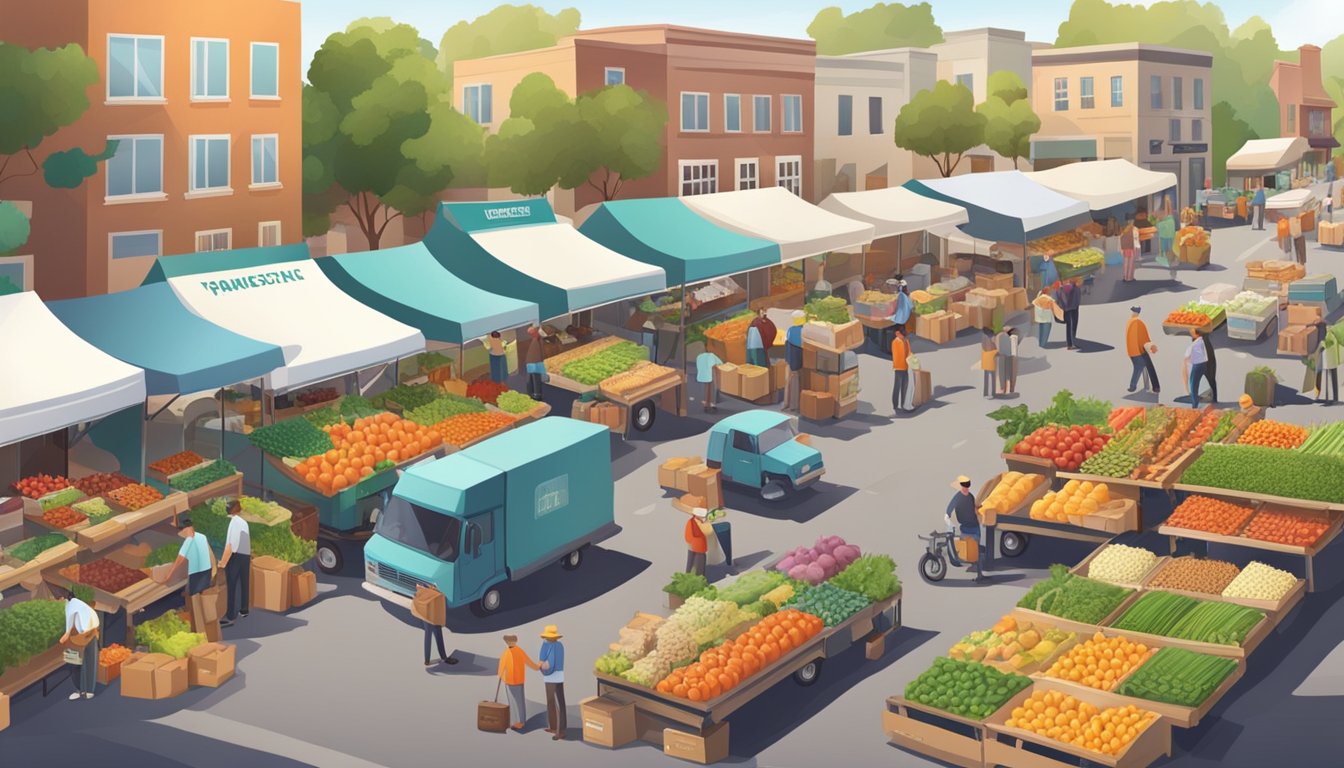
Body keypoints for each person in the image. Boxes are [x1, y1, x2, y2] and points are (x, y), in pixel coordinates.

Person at [944, 475, 985, 581]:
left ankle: (979, 574)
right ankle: (977, 571)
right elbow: (949, 508)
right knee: (969, 551)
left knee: (976, 551)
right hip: (966, 528)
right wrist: (947, 516)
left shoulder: (969, 497)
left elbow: (974, 508)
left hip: (974, 527)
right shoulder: (960, 497)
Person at [61, 592, 100, 701]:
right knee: (74, 662)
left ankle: (88, 690)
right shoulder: (68, 604)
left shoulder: (73, 604)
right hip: (77, 635)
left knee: (89, 660)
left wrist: (67, 633)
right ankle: (80, 689)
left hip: (88, 633)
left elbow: (69, 618)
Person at [498, 634, 541, 732]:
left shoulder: (512, 652)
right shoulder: (510, 652)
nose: (509, 643)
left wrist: (502, 677)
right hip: (511, 681)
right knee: (514, 702)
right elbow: (501, 668)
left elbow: (501, 669)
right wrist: (537, 667)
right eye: (508, 641)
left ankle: (521, 722)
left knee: (517, 702)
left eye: (510, 641)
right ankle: (516, 721)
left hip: (515, 681)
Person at [219, 500, 250, 627]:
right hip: (245, 555)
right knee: (244, 582)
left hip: (235, 557)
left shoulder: (234, 523)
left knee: (232, 585)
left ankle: (230, 616)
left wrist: (223, 562)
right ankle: (244, 609)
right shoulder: (244, 522)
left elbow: (231, 545)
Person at [1125, 306, 1160, 398]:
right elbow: (1144, 337)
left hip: (1133, 351)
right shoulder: (1138, 323)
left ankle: (1137, 386)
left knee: (1141, 367)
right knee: (1145, 367)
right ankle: (1153, 387)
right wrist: (1150, 345)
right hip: (1140, 350)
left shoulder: (1130, 322)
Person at [538, 625, 566, 740]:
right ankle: (554, 727)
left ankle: (560, 730)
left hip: (553, 675)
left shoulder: (554, 646)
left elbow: (550, 663)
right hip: (554, 675)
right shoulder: (551, 644)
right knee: (552, 701)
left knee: (556, 702)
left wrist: (542, 666)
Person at [175, 523, 213, 597]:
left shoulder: (188, 540)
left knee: (191, 594)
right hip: (206, 570)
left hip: (195, 573)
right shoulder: (202, 536)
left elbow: (180, 559)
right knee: (202, 588)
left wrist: (169, 575)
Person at [783, 310, 805, 412]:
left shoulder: (791, 330)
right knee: (797, 382)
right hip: (800, 362)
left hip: (790, 360)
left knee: (789, 382)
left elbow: (787, 344)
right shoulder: (804, 331)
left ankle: (788, 404)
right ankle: (794, 405)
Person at [1183, 328, 1209, 409]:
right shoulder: (1202, 341)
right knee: (1198, 382)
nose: (1190, 331)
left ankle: (1195, 404)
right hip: (1204, 364)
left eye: (1192, 331)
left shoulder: (1193, 345)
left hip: (1197, 365)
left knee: (1193, 385)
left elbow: (1186, 357)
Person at [1314, 321, 1340, 404]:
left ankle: (1332, 397)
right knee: (1321, 370)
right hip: (1322, 343)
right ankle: (1323, 396)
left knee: (1329, 369)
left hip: (1328, 343)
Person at [1055, 278, 1081, 350]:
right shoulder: (1070, 287)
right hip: (1072, 307)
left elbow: (1058, 298)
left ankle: (1071, 343)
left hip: (1069, 307)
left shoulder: (1061, 287)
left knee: (1070, 325)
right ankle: (1071, 343)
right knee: (1072, 325)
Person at [890, 327, 911, 414]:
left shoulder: (906, 341)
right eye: (902, 334)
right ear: (897, 333)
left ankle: (903, 404)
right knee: (897, 387)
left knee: (904, 386)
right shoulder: (895, 342)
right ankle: (895, 404)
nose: (903, 336)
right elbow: (897, 356)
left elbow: (909, 352)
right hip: (899, 368)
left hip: (905, 367)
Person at [684, 507, 708, 577]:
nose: (704, 518)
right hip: (696, 546)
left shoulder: (697, 521)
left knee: (696, 561)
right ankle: (697, 577)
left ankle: (697, 576)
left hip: (699, 546)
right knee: (697, 561)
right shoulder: (692, 522)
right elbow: (690, 536)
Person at [524, 325, 545, 400]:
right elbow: (539, 352)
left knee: (534, 378)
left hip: (533, 362)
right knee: (534, 378)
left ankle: (535, 394)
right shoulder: (537, 340)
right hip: (534, 362)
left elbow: (538, 352)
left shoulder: (537, 340)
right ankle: (535, 393)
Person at [997, 327, 1019, 395]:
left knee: (1004, 373)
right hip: (1012, 356)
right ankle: (1010, 389)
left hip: (1006, 356)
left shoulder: (1003, 336)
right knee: (1010, 374)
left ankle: (1004, 389)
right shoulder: (1013, 337)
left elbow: (1000, 347)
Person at [1200, 327, 1219, 403]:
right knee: (1210, 377)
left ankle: (1213, 397)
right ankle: (1213, 397)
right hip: (1207, 356)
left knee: (1210, 376)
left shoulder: (1203, 341)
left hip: (1206, 357)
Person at [980, 329, 998, 400]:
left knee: (988, 378)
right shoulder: (990, 339)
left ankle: (987, 393)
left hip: (987, 360)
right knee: (991, 378)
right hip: (990, 360)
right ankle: (990, 393)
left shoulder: (984, 338)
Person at [1120, 217, 1138, 282]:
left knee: (1125, 263)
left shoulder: (1123, 229)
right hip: (1131, 248)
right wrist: (1136, 248)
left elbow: (1121, 239)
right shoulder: (1135, 229)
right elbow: (1136, 239)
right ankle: (1130, 278)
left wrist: (1121, 249)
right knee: (1131, 263)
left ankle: (1125, 277)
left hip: (1124, 248)